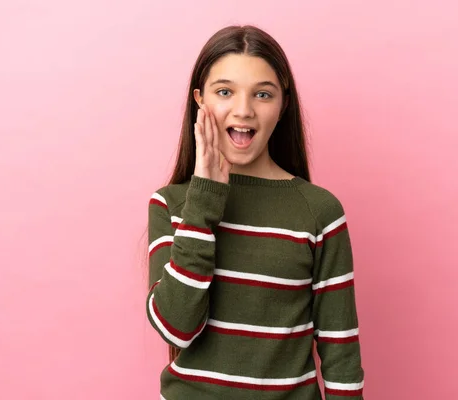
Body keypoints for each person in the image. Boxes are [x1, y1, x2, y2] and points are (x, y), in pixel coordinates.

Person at [145, 24, 365, 399]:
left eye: (263, 94)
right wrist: (204, 200)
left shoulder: (319, 211)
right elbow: (175, 328)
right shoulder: (171, 204)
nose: (243, 110)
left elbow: (339, 346)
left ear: (283, 105)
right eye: (225, 91)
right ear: (200, 101)